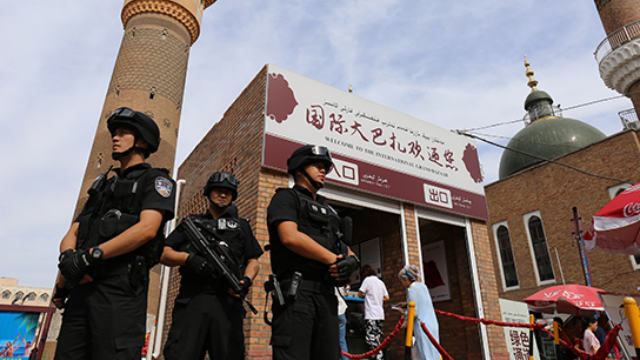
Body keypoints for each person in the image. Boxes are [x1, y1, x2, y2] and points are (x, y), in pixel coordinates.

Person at [54, 107, 176, 360]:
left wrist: (90, 256)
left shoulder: (155, 181)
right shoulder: (102, 185)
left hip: (119, 293)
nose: (115, 138)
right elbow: (75, 230)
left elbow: (147, 229)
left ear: (142, 141)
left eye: (123, 133)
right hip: (82, 290)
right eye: (114, 133)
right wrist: (67, 264)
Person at [267, 144, 360, 360]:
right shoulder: (286, 199)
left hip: (326, 298)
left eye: (325, 168)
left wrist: (350, 263)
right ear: (299, 169)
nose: (323, 171)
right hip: (296, 295)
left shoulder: (330, 211)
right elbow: (290, 236)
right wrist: (332, 260)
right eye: (317, 166)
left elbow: (346, 249)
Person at [161, 171, 262, 360]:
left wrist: (247, 280)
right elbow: (163, 253)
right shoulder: (192, 223)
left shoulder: (241, 226)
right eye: (218, 190)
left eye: (228, 192)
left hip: (228, 303)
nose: (223, 194)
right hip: (193, 300)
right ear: (208, 193)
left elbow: (253, 260)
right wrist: (188, 259)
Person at [397, 264, 439, 360]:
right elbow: (421, 302)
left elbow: (414, 312)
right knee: (434, 351)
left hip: (421, 326)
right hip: (432, 323)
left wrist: (404, 313)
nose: (402, 284)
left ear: (406, 279)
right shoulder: (423, 286)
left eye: (402, 281)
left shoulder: (411, 290)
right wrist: (406, 303)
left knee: (424, 353)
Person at [358, 265, 389, 360]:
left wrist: (366, 296)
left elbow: (360, 294)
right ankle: (378, 356)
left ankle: (379, 357)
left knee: (370, 338)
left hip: (371, 314)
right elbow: (387, 297)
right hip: (380, 314)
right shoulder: (380, 282)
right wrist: (377, 299)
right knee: (376, 337)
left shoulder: (367, 280)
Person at [336, 285, 349, 360]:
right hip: (342, 312)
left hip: (332, 313)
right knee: (342, 340)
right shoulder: (340, 284)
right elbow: (345, 292)